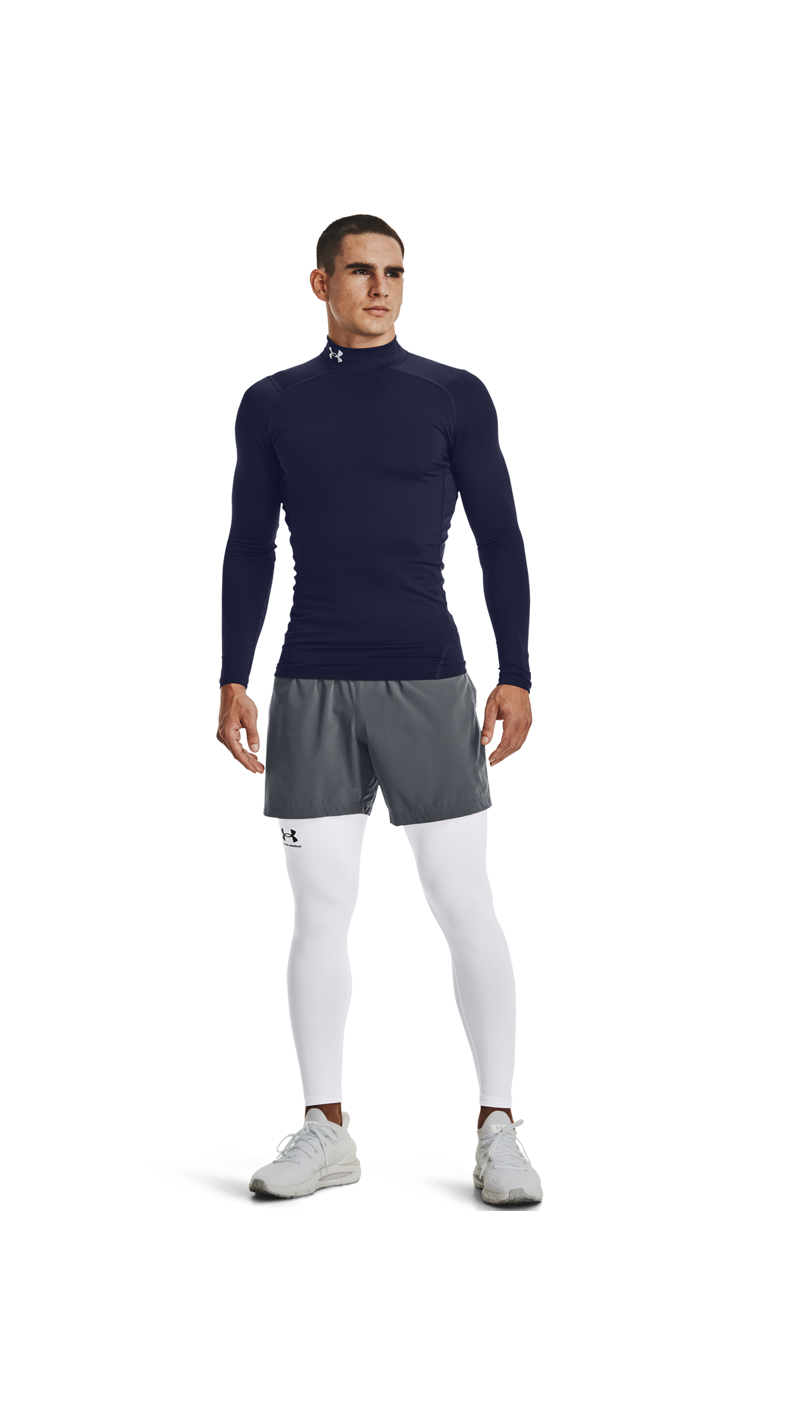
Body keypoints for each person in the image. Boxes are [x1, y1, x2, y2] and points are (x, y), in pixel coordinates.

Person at [216, 214, 542, 1205]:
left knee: (463, 901)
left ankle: (498, 1127)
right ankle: (326, 1130)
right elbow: (248, 543)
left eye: (394, 271)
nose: (380, 287)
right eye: (359, 271)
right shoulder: (273, 404)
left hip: (427, 681)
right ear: (320, 283)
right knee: (319, 911)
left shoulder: (451, 396)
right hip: (310, 682)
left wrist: (516, 671)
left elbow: (499, 536)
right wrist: (232, 675)